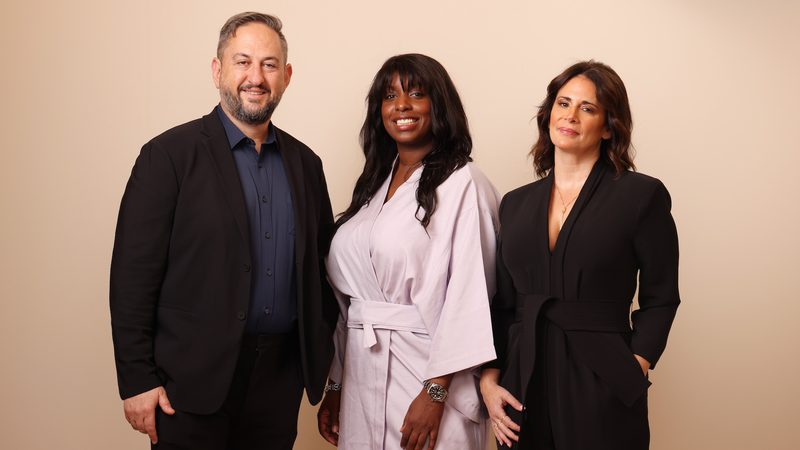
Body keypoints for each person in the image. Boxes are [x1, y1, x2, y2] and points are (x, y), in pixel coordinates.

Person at [109, 12, 337, 450]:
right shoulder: (168, 157)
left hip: (279, 381)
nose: (256, 77)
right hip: (188, 385)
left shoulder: (307, 165)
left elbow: (323, 271)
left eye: (269, 65)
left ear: (286, 76)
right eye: (243, 62)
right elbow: (132, 278)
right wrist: (136, 378)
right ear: (218, 70)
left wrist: (318, 359)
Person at [480, 61, 680, 450]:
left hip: (603, 371)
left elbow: (661, 297)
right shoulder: (515, 204)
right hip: (523, 375)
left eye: (587, 108)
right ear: (548, 114)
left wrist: (634, 365)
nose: (569, 115)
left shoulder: (641, 196)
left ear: (608, 126)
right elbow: (503, 304)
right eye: (562, 103)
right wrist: (490, 379)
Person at [316, 53, 499, 450]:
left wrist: (434, 394)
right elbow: (349, 309)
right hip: (362, 378)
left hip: (429, 375)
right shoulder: (373, 187)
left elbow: (471, 297)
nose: (401, 105)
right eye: (389, 96)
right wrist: (335, 384)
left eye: (416, 93)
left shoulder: (464, 183)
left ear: (440, 105)